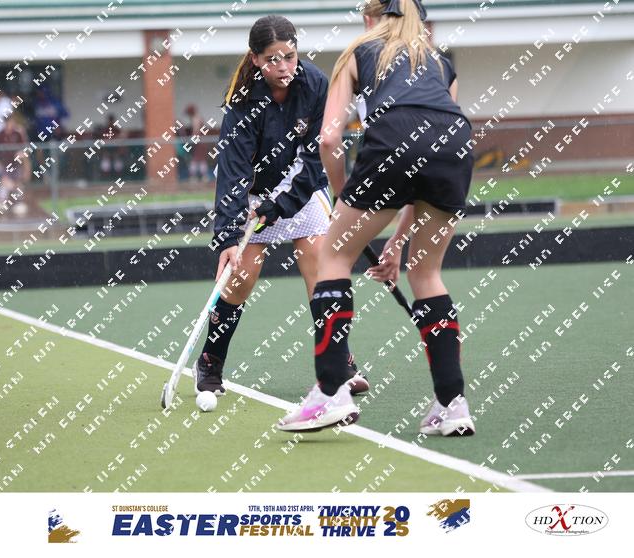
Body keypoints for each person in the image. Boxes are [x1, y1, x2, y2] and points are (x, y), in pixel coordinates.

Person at [278, 0, 476, 436]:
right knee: (427, 274)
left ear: (369, 18)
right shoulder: (441, 64)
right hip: (455, 146)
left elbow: (329, 139)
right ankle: (452, 405)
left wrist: (341, 194)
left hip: (391, 142)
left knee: (333, 256)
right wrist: (398, 243)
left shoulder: (359, 50)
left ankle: (332, 391)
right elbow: (424, 171)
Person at [193, 15, 369, 398]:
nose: (284, 66)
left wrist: (283, 203)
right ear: (256, 59)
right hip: (255, 195)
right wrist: (228, 236)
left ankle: (339, 363)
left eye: (289, 56)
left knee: (321, 270)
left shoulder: (315, 84)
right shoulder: (241, 101)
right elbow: (233, 173)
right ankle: (210, 362)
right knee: (241, 277)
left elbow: (317, 158)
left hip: (301, 188)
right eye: (273, 59)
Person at [183, 104, 211, 182]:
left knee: (196, 159)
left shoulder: (196, 118)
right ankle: (202, 176)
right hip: (201, 142)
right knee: (200, 159)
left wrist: (191, 140)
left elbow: (196, 132)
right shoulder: (198, 117)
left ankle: (195, 177)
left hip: (200, 142)